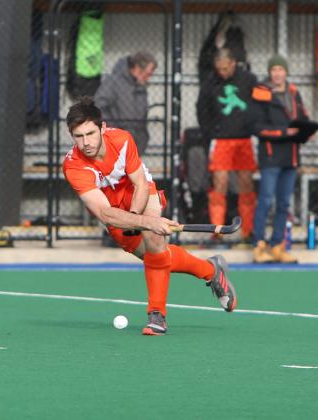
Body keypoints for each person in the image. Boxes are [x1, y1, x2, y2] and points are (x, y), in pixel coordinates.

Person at [62, 97, 237, 335]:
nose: (85, 143)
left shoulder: (122, 140)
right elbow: (105, 213)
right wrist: (143, 222)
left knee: (154, 241)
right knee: (157, 258)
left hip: (139, 192)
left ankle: (157, 315)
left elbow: (140, 184)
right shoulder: (74, 166)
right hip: (113, 211)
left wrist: (142, 218)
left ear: (102, 128)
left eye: (90, 134)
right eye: (78, 137)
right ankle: (211, 271)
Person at [249, 55, 309, 264]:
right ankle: (258, 244)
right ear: (270, 72)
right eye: (273, 69)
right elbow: (257, 127)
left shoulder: (294, 93)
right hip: (271, 157)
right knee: (265, 200)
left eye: (280, 69)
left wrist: (306, 129)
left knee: (284, 204)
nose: (277, 73)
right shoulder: (261, 92)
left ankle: (277, 245)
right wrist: (285, 132)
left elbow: (302, 117)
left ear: (286, 72)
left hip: (291, 157)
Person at [196, 48, 257, 242]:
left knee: (246, 183)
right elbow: (201, 109)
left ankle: (248, 231)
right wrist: (210, 132)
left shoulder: (248, 79)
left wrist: (254, 126)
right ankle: (218, 232)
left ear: (233, 63)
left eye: (225, 68)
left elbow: (259, 106)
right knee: (219, 183)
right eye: (218, 69)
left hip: (245, 139)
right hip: (221, 140)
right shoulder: (210, 81)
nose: (222, 73)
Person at [94, 51, 156, 155]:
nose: (148, 78)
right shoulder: (113, 82)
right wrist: (115, 132)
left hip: (134, 147)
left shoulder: (141, 86)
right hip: (113, 145)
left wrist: (142, 138)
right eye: (148, 74)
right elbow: (98, 108)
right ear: (137, 68)